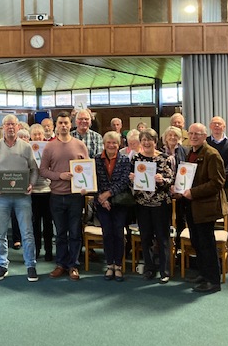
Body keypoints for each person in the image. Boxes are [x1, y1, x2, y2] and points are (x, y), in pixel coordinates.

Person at [0, 114, 39, 282]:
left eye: (13, 124)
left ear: (18, 127)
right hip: (1, 197)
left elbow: (34, 170)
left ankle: (31, 265)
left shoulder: (26, 147)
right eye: (7, 125)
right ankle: (2, 265)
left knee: (27, 233)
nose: (10, 127)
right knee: (0, 233)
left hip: (22, 197)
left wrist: (31, 184)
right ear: (3, 127)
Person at [176, 123, 225, 293]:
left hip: (205, 207)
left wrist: (193, 192)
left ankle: (213, 281)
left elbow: (217, 183)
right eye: (191, 133)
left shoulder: (212, 154)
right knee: (197, 242)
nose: (194, 136)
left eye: (198, 134)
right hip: (191, 205)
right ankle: (204, 274)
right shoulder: (191, 152)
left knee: (206, 244)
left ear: (205, 136)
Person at [40, 111, 89, 281]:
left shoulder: (80, 145)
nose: (63, 125)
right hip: (56, 196)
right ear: (56, 125)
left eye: (66, 123)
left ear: (71, 124)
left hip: (75, 196)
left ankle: (73, 265)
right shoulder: (49, 146)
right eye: (60, 123)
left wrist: (86, 186)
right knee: (60, 233)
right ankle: (61, 264)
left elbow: (87, 169)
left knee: (75, 232)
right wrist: (59, 176)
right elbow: (43, 170)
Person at [129, 128, 174, 283]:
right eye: (144, 140)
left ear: (155, 142)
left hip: (160, 204)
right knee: (145, 237)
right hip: (142, 204)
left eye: (150, 140)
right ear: (140, 142)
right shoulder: (136, 158)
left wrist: (162, 180)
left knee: (162, 238)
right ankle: (149, 268)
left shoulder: (164, 158)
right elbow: (130, 181)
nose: (147, 142)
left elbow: (171, 181)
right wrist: (132, 178)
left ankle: (164, 270)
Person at [95, 131, 132, 281]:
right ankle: (109, 265)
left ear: (119, 144)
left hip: (120, 202)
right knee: (107, 234)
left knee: (118, 234)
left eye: (114, 143)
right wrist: (102, 199)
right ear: (104, 144)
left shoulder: (124, 160)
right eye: (108, 142)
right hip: (102, 204)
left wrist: (108, 194)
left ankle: (118, 265)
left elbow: (124, 181)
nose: (111, 145)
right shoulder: (96, 159)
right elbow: (93, 179)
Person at [206, 116, 228, 265]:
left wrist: (217, 181)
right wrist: (211, 183)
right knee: (209, 219)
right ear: (210, 126)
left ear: (224, 127)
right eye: (214, 124)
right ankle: (211, 252)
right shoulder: (205, 142)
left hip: (227, 188)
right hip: (208, 189)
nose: (217, 126)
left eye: (220, 124)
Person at [29, 123, 53, 261]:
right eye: (35, 134)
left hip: (47, 190)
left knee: (48, 223)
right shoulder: (27, 149)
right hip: (33, 192)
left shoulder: (48, 149)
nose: (37, 136)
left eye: (39, 134)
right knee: (35, 224)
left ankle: (49, 251)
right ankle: (36, 250)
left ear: (43, 136)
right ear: (31, 136)